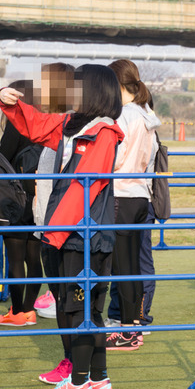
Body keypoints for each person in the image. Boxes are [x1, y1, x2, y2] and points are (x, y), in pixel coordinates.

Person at [0, 63, 124, 389]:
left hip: (85, 236)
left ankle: (81, 380)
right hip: (62, 233)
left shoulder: (104, 132)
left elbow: (85, 188)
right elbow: (38, 126)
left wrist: (54, 233)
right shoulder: (71, 124)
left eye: (77, 86)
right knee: (73, 309)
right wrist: (10, 103)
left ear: (94, 91)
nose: (71, 92)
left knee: (82, 311)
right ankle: (97, 379)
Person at [104, 59, 161, 351]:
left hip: (121, 194)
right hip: (141, 195)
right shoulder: (146, 113)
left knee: (122, 267)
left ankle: (127, 330)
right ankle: (135, 324)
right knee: (133, 266)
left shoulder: (123, 115)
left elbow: (114, 157)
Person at [33, 62, 80, 385]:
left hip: (64, 227)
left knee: (70, 300)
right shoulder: (54, 125)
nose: (40, 90)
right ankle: (69, 361)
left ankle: (80, 366)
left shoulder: (72, 126)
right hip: (45, 225)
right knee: (60, 297)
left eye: (45, 83)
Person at [0, 79, 42, 327]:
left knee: (15, 257)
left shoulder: (17, 124)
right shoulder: (42, 124)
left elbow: (3, 156)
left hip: (16, 197)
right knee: (33, 257)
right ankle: (29, 310)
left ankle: (16, 312)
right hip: (38, 196)